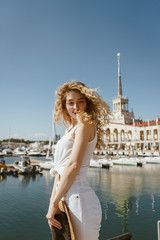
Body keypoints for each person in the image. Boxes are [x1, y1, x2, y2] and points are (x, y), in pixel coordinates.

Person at [46, 81, 110, 240]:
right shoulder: (70, 129)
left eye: (80, 101)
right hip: (65, 201)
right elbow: (59, 172)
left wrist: (54, 203)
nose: (76, 107)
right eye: (71, 102)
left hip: (80, 201)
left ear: (87, 103)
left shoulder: (86, 124)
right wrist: (52, 204)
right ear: (64, 105)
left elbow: (73, 165)